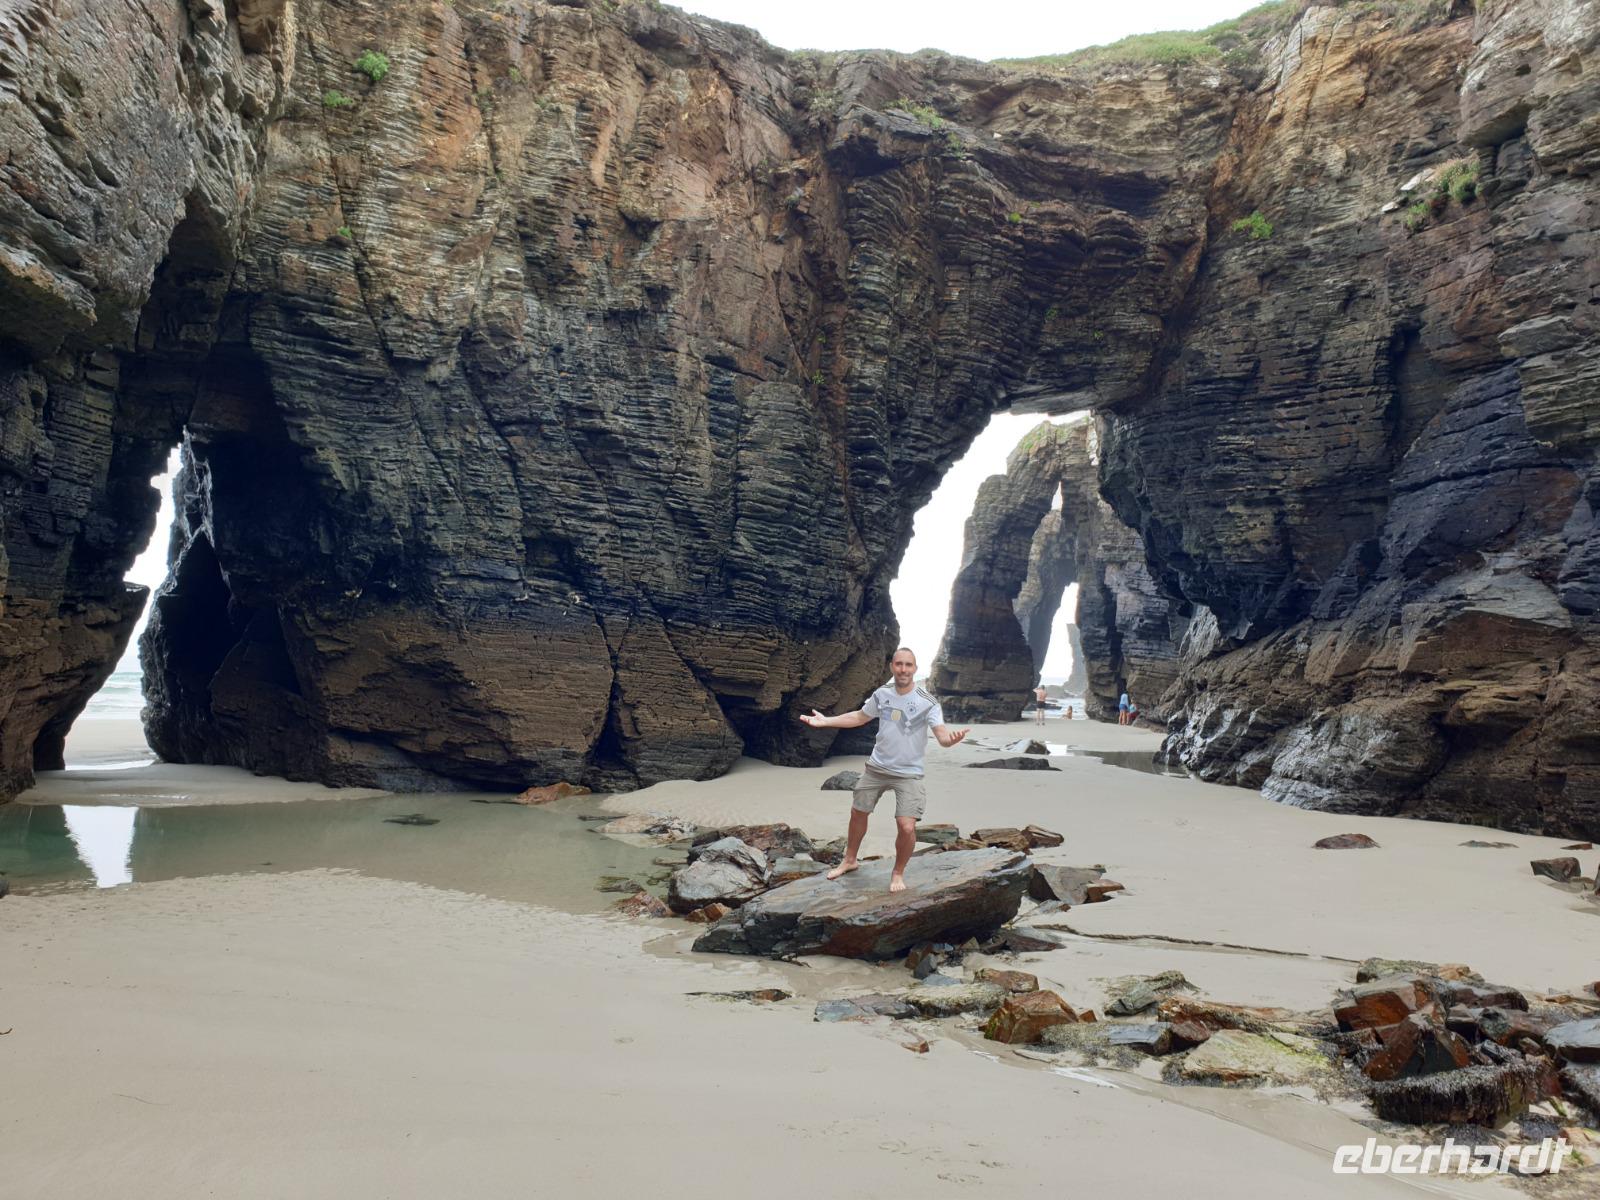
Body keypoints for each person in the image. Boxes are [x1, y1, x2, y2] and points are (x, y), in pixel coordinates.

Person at [799, 647, 968, 893]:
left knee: (907, 826)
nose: (903, 669)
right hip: (877, 767)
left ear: (915, 669)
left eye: (908, 665)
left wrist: (949, 741)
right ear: (892, 667)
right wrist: (826, 721)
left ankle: (898, 873)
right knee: (858, 812)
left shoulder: (927, 701)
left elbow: (941, 736)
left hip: (909, 773)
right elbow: (859, 717)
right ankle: (850, 860)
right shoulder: (882, 694)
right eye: (899, 664)